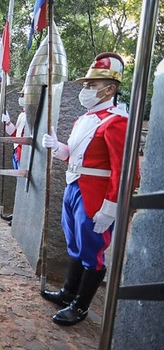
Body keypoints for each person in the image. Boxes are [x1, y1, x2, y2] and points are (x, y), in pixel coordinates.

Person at [41, 52, 138, 326]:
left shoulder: (117, 121)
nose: (86, 90)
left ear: (110, 89)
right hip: (74, 186)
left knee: (92, 250)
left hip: (95, 195)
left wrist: (111, 207)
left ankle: (81, 306)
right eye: (86, 85)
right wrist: (58, 147)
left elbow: (126, 171)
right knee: (75, 243)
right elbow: (75, 155)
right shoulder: (83, 119)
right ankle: (68, 292)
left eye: (92, 86)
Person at [5, 91, 26, 169]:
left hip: (23, 151)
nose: (20, 98)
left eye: (23, 95)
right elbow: (15, 133)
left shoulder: (33, 115)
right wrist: (7, 122)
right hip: (17, 149)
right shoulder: (22, 114)